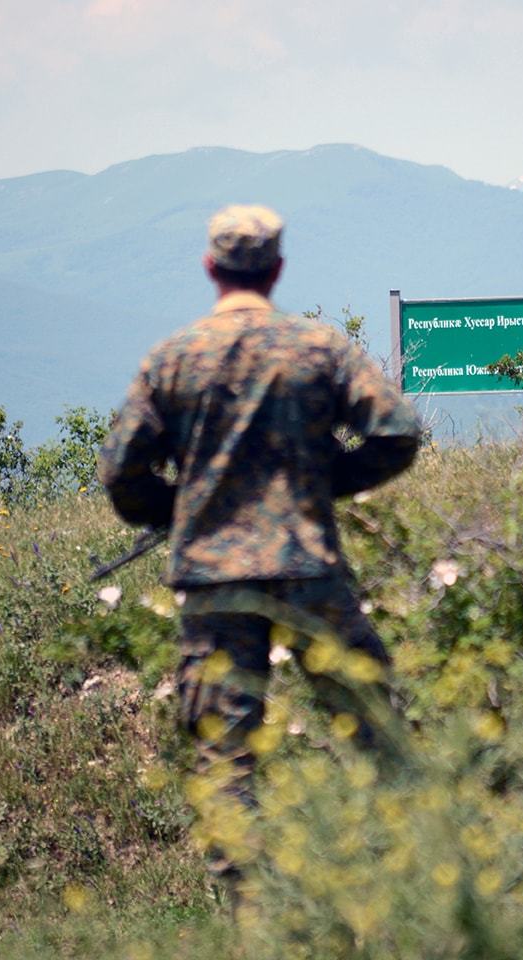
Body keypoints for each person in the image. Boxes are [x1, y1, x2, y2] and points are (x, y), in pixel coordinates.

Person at [97, 204, 421, 848]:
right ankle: (406, 887)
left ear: (210, 267)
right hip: (307, 566)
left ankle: (253, 923)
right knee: (376, 735)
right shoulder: (318, 347)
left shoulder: (172, 359)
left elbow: (120, 473)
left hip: (214, 579)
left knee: (226, 763)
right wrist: (325, 483)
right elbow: (397, 431)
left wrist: (180, 508)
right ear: (277, 270)